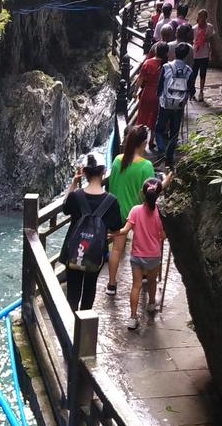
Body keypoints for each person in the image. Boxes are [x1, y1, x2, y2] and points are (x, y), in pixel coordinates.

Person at [60, 154, 121, 310]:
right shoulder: (111, 201)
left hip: (73, 252)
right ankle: (84, 327)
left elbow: (65, 209)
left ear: (84, 172)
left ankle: (70, 327)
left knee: (72, 292)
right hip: (96, 253)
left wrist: (74, 183)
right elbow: (116, 229)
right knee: (89, 289)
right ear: (103, 171)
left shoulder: (76, 196)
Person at [110, 175, 172, 329]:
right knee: (151, 281)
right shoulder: (161, 212)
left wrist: (113, 233)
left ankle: (132, 317)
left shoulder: (135, 210)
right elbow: (163, 235)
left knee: (136, 286)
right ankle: (151, 304)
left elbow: (125, 230)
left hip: (137, 255)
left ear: (142, 193)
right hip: (153, 255)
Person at [105, 124, 155, 294]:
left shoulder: (118, 160)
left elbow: (111, 185)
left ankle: (111, 284)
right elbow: (149, 191)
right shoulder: (146, 166)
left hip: (116, 211)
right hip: (137, 213)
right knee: (143, 246)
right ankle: (146, 275)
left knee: (116, 250)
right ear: (143, 143)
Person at [155, 42, 193, 166]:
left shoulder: (166, 67)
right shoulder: (189, 71)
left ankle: (161, 149)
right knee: (174, 132)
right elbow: (191, 89)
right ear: (186, 55)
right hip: (179, 106)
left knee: (159, 129)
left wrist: (159, 95)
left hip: (165, 103)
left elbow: (160, 85)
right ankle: (170, 157)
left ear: (174, 53)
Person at [135, 42, 169, 151]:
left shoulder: (148, 63)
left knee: (142, 117)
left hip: (147, 93)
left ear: (155, 50)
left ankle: (139, 141)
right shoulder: (166, 65)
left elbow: (140, 80)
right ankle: (151, 141)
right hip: (159, 95)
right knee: (154, 118)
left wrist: (135, 92)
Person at [190, 9, 215, 103]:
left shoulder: (209, 27)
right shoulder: (194, 28)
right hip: (195, 53)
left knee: (203, 74)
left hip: (204, 53)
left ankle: (201, 92)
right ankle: (192, 92)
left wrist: (212, 51)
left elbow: (212, 40)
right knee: (194, 73)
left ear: (206, 18)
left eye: (204, 16)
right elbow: (191, 40)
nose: (202, 18)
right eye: (200, 16)